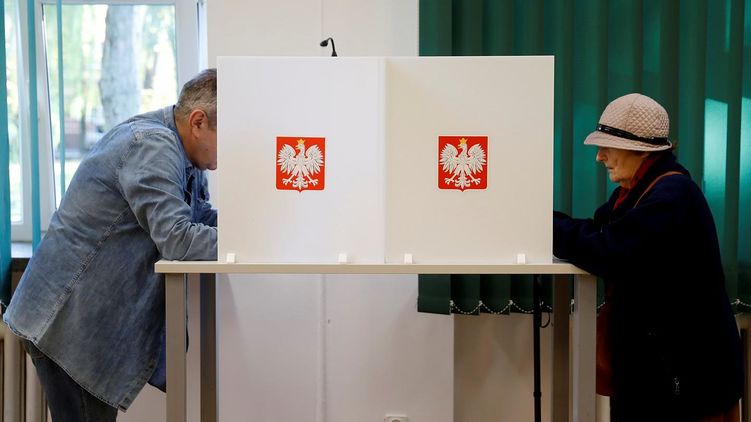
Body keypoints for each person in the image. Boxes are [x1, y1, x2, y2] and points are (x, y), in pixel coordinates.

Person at [3, 68, 218, 420]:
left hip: (80, 321)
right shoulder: (153, 146)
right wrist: (247, 243)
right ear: (198, 122)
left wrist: (247, 231)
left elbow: (200, 218)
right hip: (69, 323)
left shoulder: (184, 155)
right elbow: (178, 238)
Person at [553, 93, 742, 421]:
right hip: (658, 370)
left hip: (682, 379)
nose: (599, 156)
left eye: (608, 147)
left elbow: (608, 250)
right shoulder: (638, 191)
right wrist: (542, 223)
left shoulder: (672, 196)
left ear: (640, 150)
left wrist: (542, 226)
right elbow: (597, 232)